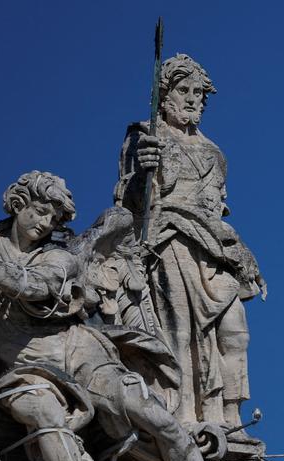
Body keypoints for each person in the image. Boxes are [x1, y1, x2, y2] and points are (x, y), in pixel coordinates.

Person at [0, 171, 260, 461]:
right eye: (40, 211)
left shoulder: (58, 256)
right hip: (22, 369)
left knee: (152, 413)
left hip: (78, 352)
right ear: (17, 204)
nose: (45, 223)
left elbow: (36, 286)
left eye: (54, 219)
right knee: (46, 417)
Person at [116, 54, 264, 426]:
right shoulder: (145, 135)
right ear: (163, 95)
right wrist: (144, 172)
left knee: (235, 332)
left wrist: (242, 255)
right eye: (183, 90)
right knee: (177, 334)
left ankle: (231, 418)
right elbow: (132, 202)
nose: (192, 99)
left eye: (198, 93)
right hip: (171, 242)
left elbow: (216, 209)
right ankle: (181, 415)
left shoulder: (216, 153)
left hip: (215, 250)